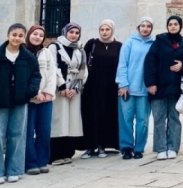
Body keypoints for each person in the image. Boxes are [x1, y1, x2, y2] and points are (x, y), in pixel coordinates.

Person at [0, 24, 41, 184]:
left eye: (20, 35)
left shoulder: (28, 57)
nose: (17, 38)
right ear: (8, 35)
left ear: (24, 38)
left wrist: (30, 91)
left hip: (19, 101)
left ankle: (14, 170)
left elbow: (36, 75)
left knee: (17, 135)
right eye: (14, 34)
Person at [144, 15, 183, 160]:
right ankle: (160, 148)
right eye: (170, 24)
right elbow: (150, 63)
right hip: (159, 88)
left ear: (180, 26)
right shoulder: (159, 42)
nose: (173, 26)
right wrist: (150, 84)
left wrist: (182, 65)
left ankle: (173, 147)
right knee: (159, 118)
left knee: (174, 118)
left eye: (176, 24)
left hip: (176, 88)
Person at [81, 20, 122, 158]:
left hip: (110, 87)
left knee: (107, 115)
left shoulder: (118, 46)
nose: (104, 32)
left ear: (112, 30)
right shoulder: (91, 44)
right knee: (91, 115)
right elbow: (83, 64)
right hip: (92, 86)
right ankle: (90, 147)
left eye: (107, 29)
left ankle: (103, 145)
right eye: (102, 29)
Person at [116, 17, 155, 159]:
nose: (145, 28)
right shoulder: (129, 43)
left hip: (145, 89)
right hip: (128, 89)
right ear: (138, 27)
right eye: (143, 25)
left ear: (152, 28)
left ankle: (139, 148)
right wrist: (123, 84)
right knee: (126, 119)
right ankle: (126, 147)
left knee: (143, 120)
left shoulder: (154, 45)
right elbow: (122, 64)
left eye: (148, 26)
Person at [48, 23, 86, 166]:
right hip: (60, 88)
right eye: (71, 32)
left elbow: (83, 70)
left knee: (72, 121)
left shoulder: (80, 50)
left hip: (74, 89)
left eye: (77, 32)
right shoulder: (54, 47)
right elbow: (53, 67)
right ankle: (55, 154)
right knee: (59, 120)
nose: (74, 35)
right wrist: (62, 86)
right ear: (65, 32)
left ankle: (68, 152)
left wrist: (75, 88)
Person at [24, 25, 57, 175]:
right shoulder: (23, 52)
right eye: (35, 34)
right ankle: (30, 162)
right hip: (29, 98)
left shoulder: (46, 52)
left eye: (40, 35)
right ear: (29, 35)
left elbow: (52, 72)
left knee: (44, 130)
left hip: (46, 98)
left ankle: (42, 160)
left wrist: (48, 92)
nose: (37, 37)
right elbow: (24, 76)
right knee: (28, 131)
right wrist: (35, 92)